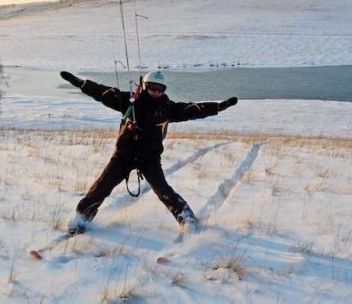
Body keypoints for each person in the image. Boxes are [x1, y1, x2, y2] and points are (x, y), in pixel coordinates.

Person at [60, 70, 238, 234]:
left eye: (160, 88)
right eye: (152, 87)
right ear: (145, 86)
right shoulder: (130, 101)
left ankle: (188, 221)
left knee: (164, 191)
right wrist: (80, 83)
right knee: (101, 187)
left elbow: (193, 109)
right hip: (124, 155)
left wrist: (218, 107)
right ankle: (82, 218)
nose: (155, 91)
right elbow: (103, 93)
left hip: (149, 158)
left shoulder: (167, 108)